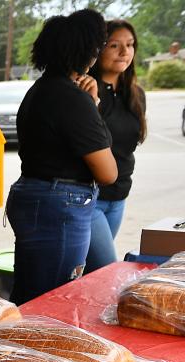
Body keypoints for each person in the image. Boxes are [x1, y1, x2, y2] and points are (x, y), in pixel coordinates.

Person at [5, 9, 117, 305]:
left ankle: (12, 347)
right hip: (60, 206)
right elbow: (108, 173)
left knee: (30, 293)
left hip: (34, 196)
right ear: (87, 54)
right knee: (51, 301)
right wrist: (91, 105)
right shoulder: (72, 99)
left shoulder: (38, 91)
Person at [84, 19, 147, 272]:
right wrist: (93, 102)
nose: (125, 52)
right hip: (91, 197)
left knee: (91, 273)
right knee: (107, 271)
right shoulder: (86, 88)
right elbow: (89, 140)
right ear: (98, 50)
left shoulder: (135, 93)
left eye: (130, 45)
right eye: (115, 45)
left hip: (119, 197)